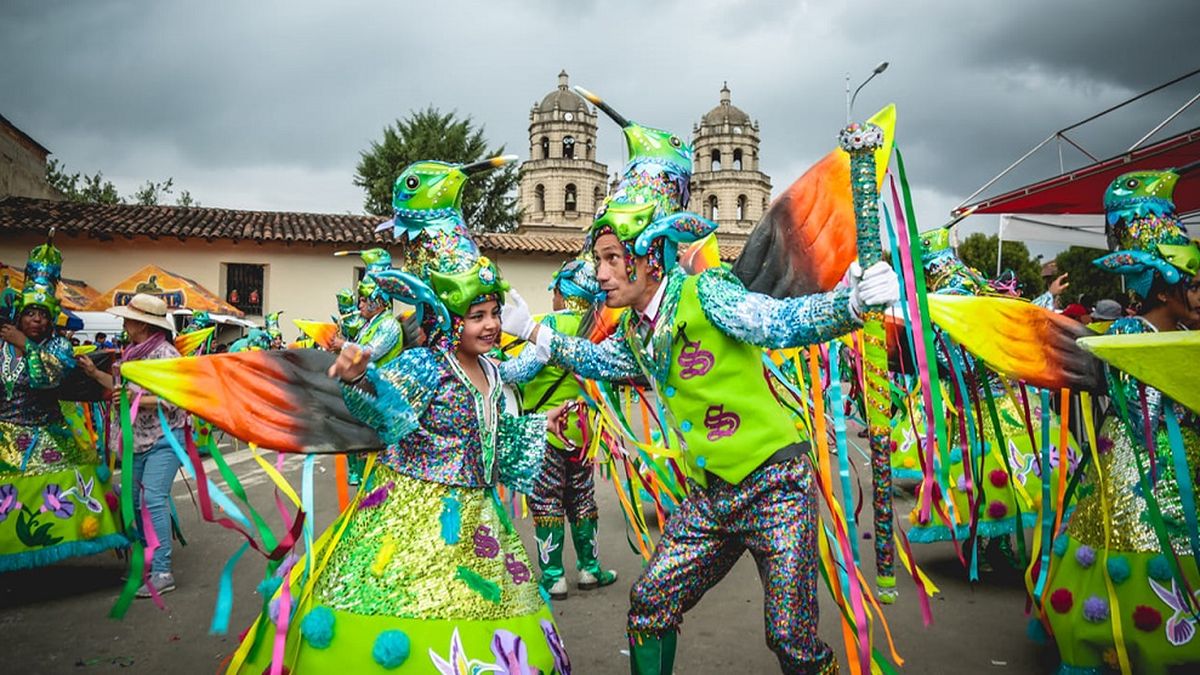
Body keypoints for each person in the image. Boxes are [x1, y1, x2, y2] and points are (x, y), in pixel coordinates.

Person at [501, 93, 901, 674]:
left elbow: (777, 322)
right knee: (649, 604)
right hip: (712, 496)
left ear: (651, 257)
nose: (602, 274)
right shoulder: (638, 334)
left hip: (776, 487)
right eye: (599, 260)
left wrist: (849, 303)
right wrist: (534, 331)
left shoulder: (706, 292)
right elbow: (596, 360)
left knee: (790, 639)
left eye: (613, 259)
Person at [215, 158, 573, 673]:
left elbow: (490, 435)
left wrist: (545, 426)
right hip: (411, 515)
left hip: (481, 520)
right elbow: (383, 415)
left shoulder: (493, 371)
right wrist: (361, 377)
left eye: (494, 313)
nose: (492, 324)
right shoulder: (427, 364)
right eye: (479, 316)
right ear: (450, 320)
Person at [1036, 168, 1200, 673]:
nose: (1198, 297)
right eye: (1192, 286)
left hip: (1185, 466)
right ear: (1162, 287)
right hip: (1133, 474)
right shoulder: (1125, 333)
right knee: (1133, 553)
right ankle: (1119, 645)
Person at [0, 237, 126, 571]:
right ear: (19, 314)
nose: (37, 321)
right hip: (4, 434)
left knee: (77, 482)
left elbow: (49, 379)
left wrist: (24, 343)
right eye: (30, 314)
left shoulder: (57, 348)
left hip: (48, 432)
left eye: (43, 315)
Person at [504, 258, 618, 600]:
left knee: (548, 499)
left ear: (564, 292)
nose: (552, 297)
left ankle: (554, 577)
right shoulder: (597, 329)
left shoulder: (547, 325)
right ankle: (589, 569)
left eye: (555, 290)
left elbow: (518, 372)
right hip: (584, 431)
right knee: (582, 497)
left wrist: (495, 366)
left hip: (548, 429)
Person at [78, 293, 188, 597]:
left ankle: (163, 570)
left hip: (166, 438)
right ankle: (146, 565)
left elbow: (177, 399)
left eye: (128, 319)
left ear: (143, 324)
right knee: (135, 503)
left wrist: (135, 400)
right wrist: (93, 373)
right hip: (136, 441)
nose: (124, 324)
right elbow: (119, 391)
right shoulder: (133, 353)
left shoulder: (166, 355)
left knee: (152, 499)